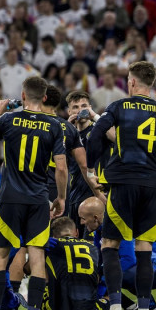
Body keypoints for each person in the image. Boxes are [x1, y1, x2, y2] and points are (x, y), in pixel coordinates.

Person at [86, 61, 156, 310]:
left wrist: (92, 168)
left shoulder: (119, 106)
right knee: (145, 248)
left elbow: (97, 133)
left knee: (110, 244)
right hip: (150, 185)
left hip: (122, 182)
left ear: (133, 82)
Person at [0, 76, 67, 310]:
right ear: (45, 97)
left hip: (9, 199)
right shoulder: (54, 125)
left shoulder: (8, 120)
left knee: (0, 257)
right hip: (38, 200)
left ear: (23, 96)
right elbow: (61, 167)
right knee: (36, 257)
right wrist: (61, 198)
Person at [78, 196, 156, 310]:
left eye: (83, 218)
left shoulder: (117, 225)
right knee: (102, 276)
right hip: (139, 267)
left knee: (113, 276)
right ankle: (131, 308)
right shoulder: (99, 232)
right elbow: (100, 262)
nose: (81, 223)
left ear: (95, 218)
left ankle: (151, 308)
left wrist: (103, 281)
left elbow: (129, 260)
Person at [33, 216, 104, 310]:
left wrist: (40, 250)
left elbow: (27, 268)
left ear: (53, 236)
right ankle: (128, 308)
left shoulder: (50, 246)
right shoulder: (92, 247)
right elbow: (98, 278)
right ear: (76, 232)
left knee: (38, 268)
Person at [42, 86, 102, 214]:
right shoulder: (65, 131)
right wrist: (68, 130)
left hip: (97, 191)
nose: (80, 110)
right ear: (69, 111)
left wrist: (95, 116)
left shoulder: (100, 129)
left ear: (90, 107)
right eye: (75, 107)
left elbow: (117, 137)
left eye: (84, 106)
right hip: (75, 193)